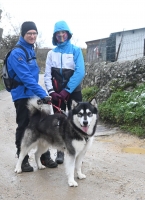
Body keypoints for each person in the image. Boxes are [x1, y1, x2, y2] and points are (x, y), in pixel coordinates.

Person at [7, 21, 58, 172]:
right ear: (23, 34)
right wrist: (44, 94)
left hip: (33, 94)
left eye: (34, 33)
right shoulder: (17, 53)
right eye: (29, 33)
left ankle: (44, 156)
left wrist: (40, 94)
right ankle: (22, 159)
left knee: (43, 124)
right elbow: (26, 78)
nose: (32, 36)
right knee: (24, 126)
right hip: (22, 95)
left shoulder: (30, 49)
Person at [44, 21, 85, 164]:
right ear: (55, 36)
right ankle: (60, 151)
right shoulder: (51, 54)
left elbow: (80, 72)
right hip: (57, 93)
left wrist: (67, 90)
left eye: (63, 32)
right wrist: (51, 91)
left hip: (73, 92)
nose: (61, 35)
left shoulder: (76, 50)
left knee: (77, 120)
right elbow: (47, 74)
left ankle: (77, 150)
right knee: (59, 122)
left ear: (68, 34)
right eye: (58, 33)